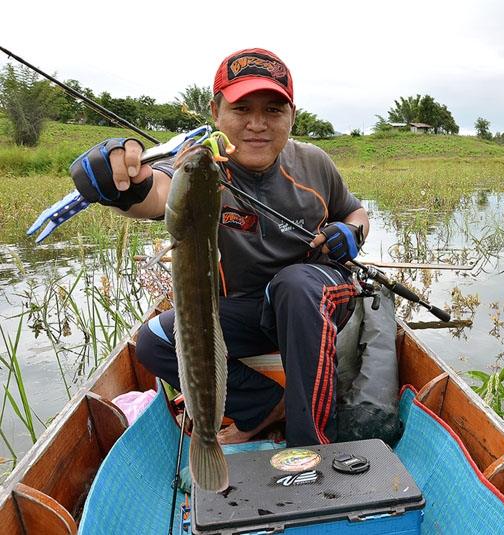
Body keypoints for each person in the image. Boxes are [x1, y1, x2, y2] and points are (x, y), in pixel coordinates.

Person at [68, 48, 369, 447]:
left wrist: (351, 233)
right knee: (154, 342)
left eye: (274, 110)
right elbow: (155, 193)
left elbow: (355, 212)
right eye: (242, 108)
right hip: (249, 310)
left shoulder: (314, 164)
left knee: (295, 286)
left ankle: (313, 448)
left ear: (292, 115)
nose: (258, 124)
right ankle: (265, 406)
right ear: (216, 110)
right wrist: (122, 184)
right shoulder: (197, 165)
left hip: (314, 301)